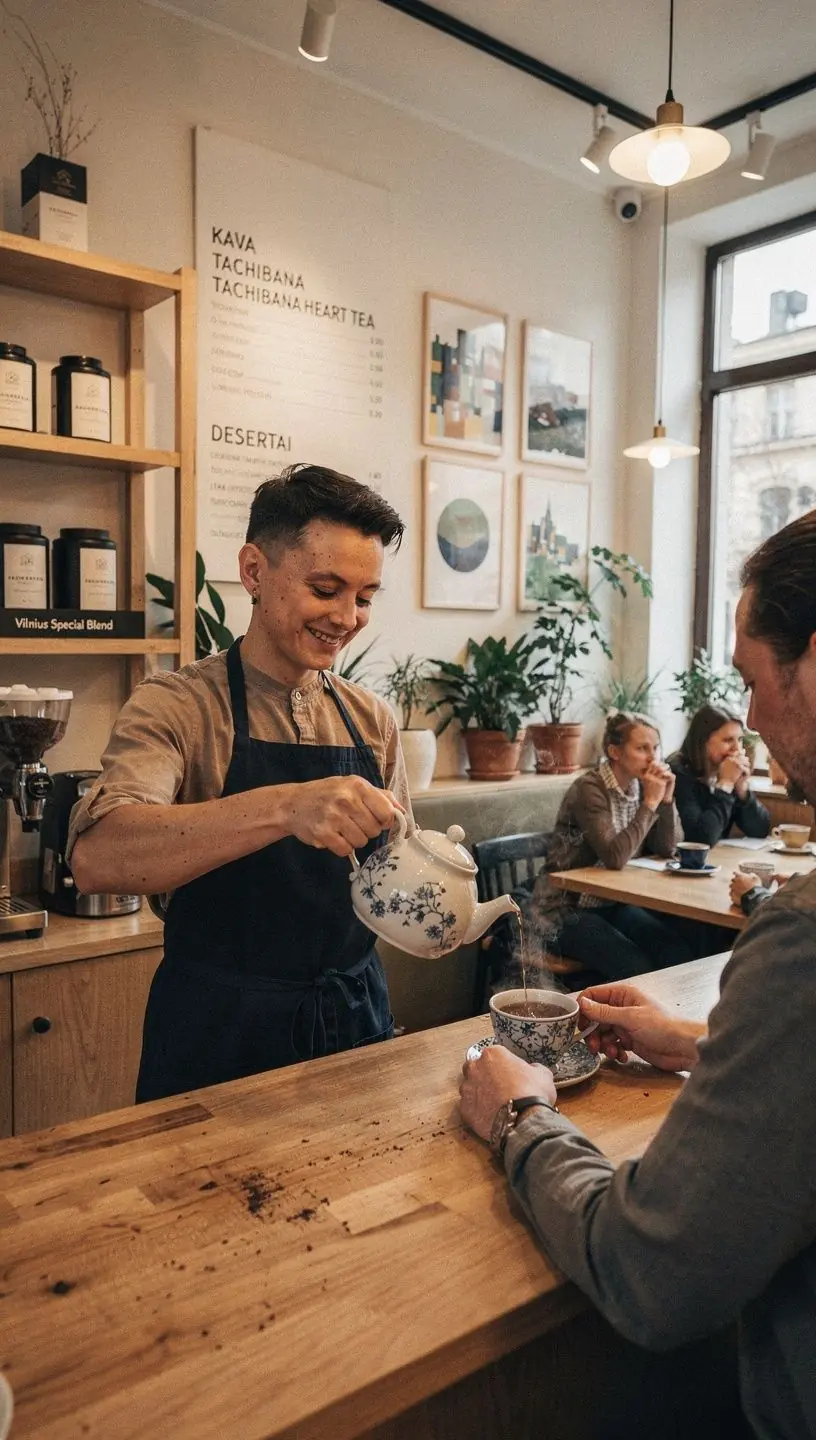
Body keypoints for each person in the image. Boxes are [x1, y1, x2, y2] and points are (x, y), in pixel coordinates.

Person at [459, 506, 816, 1440]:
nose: (749, 720)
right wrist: (703, 1040)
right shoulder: (589, 784)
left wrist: (518, 1112)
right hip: (567, 912)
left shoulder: (802, 947)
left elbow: (652, 1272)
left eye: (749, 681)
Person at [69, 463, 409, 1101]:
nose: (346, 617)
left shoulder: (372, 721)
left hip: (354, 1023)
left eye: (363, 597)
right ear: (255, 571)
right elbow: (98, 857)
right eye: (326, 588)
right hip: (216, 1036)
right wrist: (284, 806)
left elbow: (398, 877)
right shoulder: (176, 707)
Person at [525, 711, 693, 981]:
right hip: (563, 908)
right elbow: (615, 856)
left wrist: (666, 801)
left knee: (676, 951)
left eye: (656, 748)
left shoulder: (641, 785)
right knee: (636, 967)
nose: (653, 758)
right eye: (642, 748)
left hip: (612, 903)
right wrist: (650, 803)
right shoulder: (590, 789)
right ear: (614, 751)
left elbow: (668, 848)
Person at [668, 705, 770, 846]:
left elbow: (760, 830)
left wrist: (742, 790)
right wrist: (725, 784)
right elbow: (700, 840)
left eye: (739, 740)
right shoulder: (678, 773)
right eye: (728, 740)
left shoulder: (728, 770)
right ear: (703, 742)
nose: (737, 748)